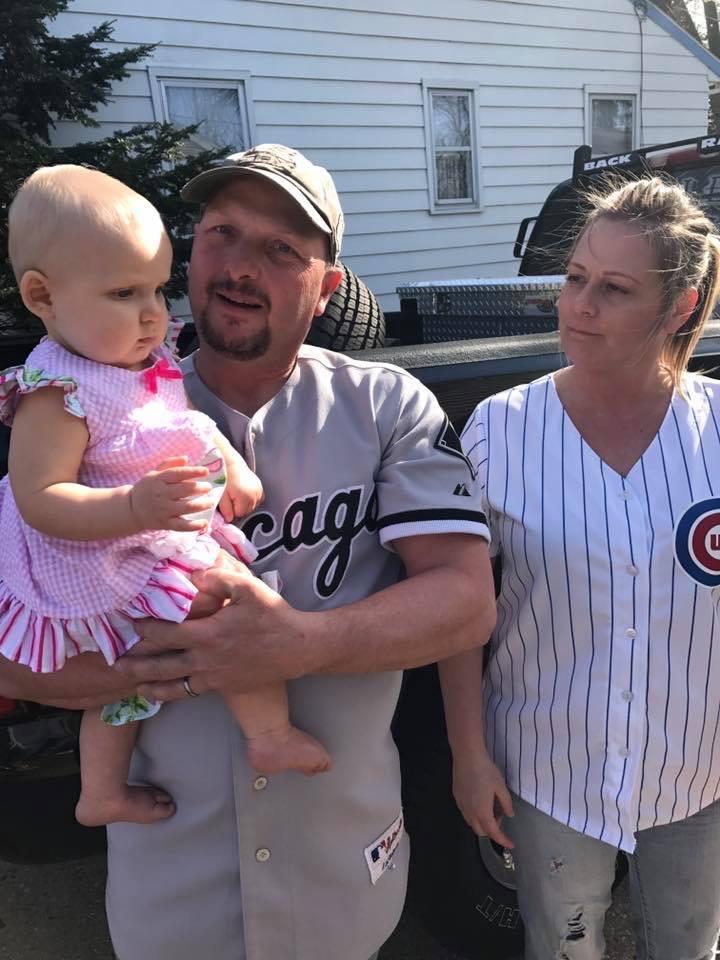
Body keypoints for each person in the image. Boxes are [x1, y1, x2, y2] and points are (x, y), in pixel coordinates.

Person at [0, 144, 496, 960]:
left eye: (280, 250)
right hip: (172, 887)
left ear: (326, 288)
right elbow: (17, 654)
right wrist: (179, 668)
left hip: (342, 871)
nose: (238, 266)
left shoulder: (385, 404)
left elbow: (465, 602)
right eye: (223, 233)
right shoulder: (88, 401)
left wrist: (296, 644)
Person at [0, 164, 334, 831]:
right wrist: (132, 510)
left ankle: (100, 793)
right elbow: (40, 497)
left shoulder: (129, 360)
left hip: (138, 541)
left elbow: (179, 421)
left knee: (123, 692)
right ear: (43, 296)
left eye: (156, 287)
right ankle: (267, 732)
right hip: (96, 555)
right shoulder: (55, 392)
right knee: (231, 603)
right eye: (124, 292)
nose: (153, 313)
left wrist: (228, 464)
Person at [447, 175, 720, 960]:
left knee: (690, 946)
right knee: (564, 947)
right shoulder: (501, 428)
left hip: (697, 770)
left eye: (614, 289)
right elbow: (461, 613)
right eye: (573, 279)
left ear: (679, 307)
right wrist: (469, 754)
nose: (579, 305)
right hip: (551, 767)